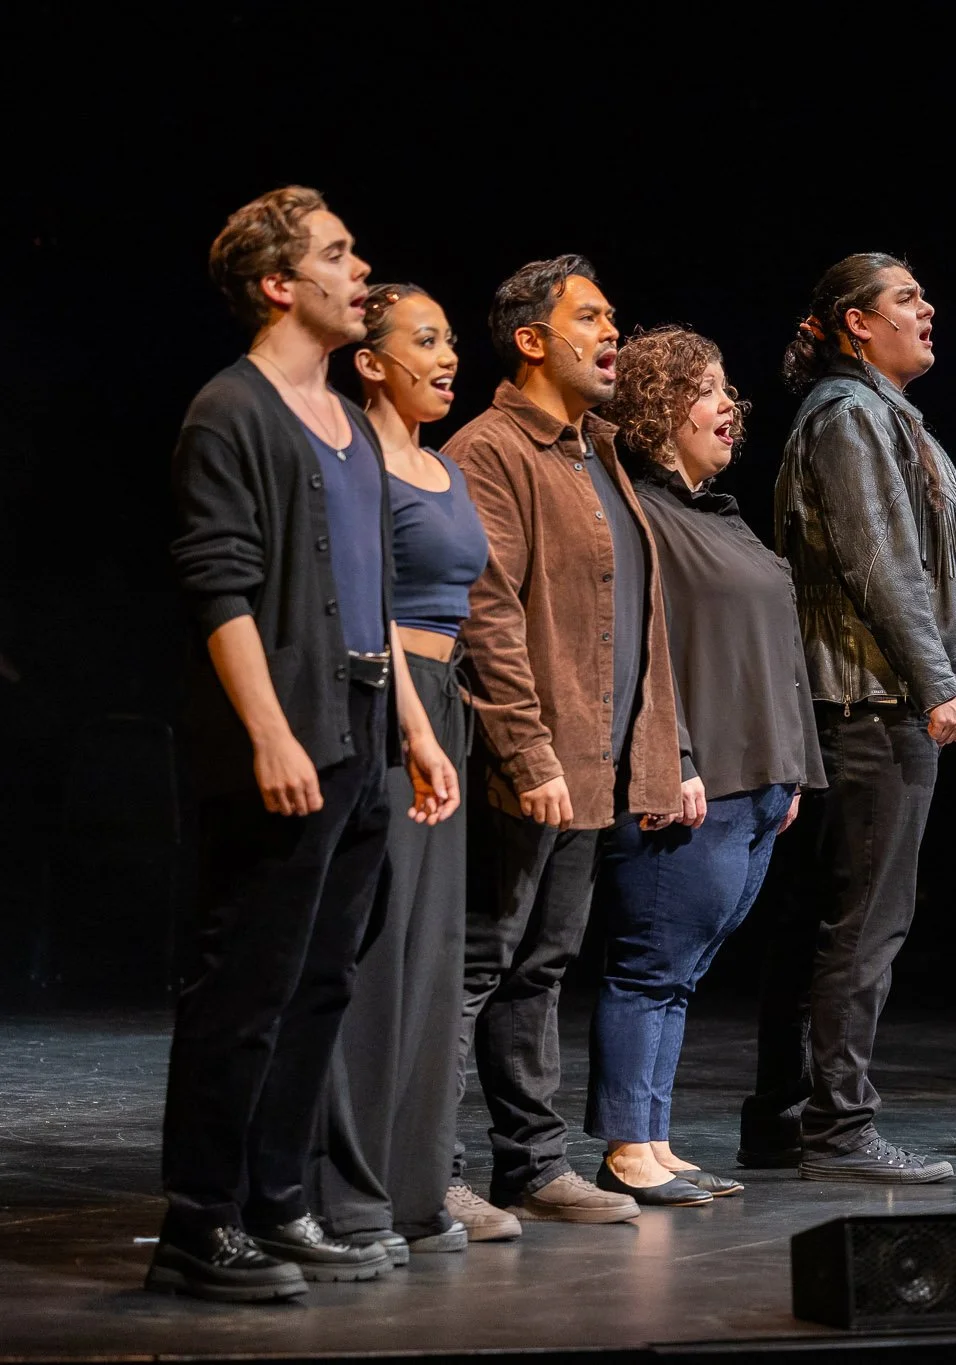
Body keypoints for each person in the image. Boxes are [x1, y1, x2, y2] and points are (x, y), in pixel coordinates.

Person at [154, 188, 458, 1301]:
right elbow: (218, 586)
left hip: (364, 730)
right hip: (281, 742)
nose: (361, 271)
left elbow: (373, 597)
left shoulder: (345, 420)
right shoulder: (232, 411)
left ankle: (281, 1204)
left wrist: (417, 733)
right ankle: (200, 1223)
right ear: (280, 284)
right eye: (338, 255)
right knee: (247, 988)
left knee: (323, 980)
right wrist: (270, 734)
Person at [444, 256, 685, 1230]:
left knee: (542, 966)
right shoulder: (489, 449)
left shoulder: (601, 453)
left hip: (595, 755)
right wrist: (528, 752)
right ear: (532, 339)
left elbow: (634, 618)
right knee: (473, 966)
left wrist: (654, 755)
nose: (613, 333)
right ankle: (430, 1169)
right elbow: (485, 610)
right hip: (526, 761)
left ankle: (533, 1165)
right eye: (592, 317)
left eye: (613, 316)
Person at [742, 253, 956, 1185]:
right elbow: (881, 562)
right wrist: (936, 682)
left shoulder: (880, 414)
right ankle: (838, 1129)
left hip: (870, 698)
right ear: (856, 323)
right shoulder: (851, 416)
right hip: (871, 699)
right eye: (907, 299)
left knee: (828, 919)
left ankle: (784, 1119)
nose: (928, 310)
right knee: (864, 926)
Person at [585, 327, 825, 1206]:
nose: (731, 407)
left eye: (731, 389)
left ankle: (653, 1135)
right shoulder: (640, 515)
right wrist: (672, 760)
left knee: (681, 974)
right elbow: (641, 658)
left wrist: (791, 769)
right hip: (690, 781)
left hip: (757, 780)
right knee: (649, 967)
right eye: (707, 390)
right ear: (655, 408)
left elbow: (774, 651)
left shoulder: (716, 515)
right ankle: (624, 1146)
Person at [308, 283, 487, 1259]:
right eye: (425, 340)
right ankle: (348, 1193)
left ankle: (417, 1189)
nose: (447, 355)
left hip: (444, 701)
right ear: (370, 360)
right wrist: (413, 726)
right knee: (372, 955)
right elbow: (364, 609)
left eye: (450, 338)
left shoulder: (440, 467)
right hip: (385, 702)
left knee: (428, 958)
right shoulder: (357, 458)